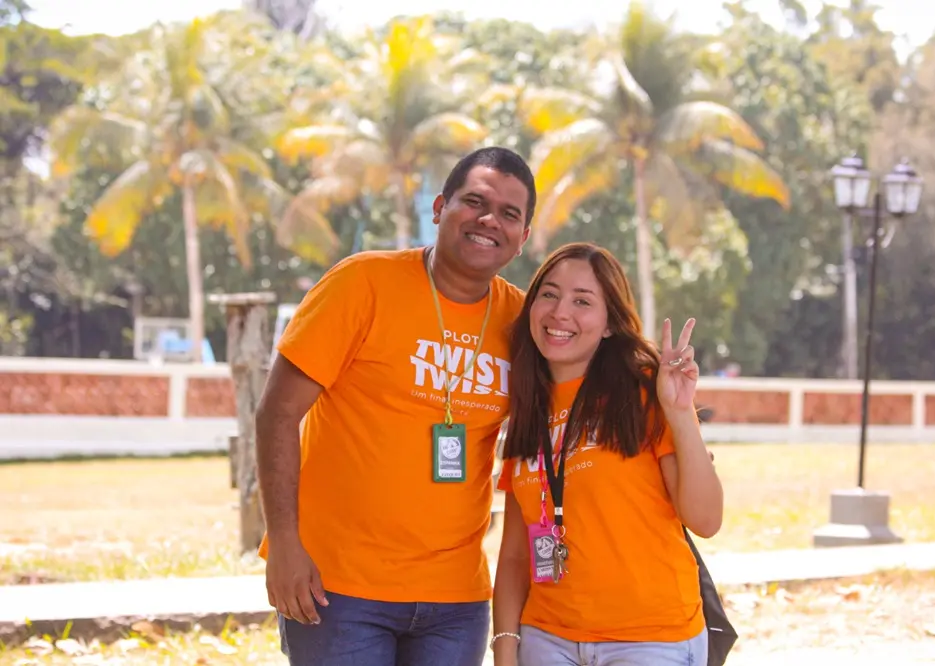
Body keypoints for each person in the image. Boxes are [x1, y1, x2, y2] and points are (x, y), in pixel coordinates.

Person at [254, 146, 534, 666]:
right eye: (474, 201)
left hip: (457, 599)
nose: (489, 220)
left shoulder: (523, 322)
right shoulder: (362, 284)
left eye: (509, 214)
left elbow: (582, 398)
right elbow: (277, 413)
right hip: (337, 587)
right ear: (439, 207)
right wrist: (285, 543)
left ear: (522, 239)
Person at [491, 241, 724, 666]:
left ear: (609, 323)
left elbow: (706, 520)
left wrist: (680, 413)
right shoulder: (526, 406)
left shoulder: (644, 391)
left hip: (649, 639)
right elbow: (513, 555)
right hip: (547, 638)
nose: (561, 312)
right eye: (549, 294)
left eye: (583, 301)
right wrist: (506, 645)